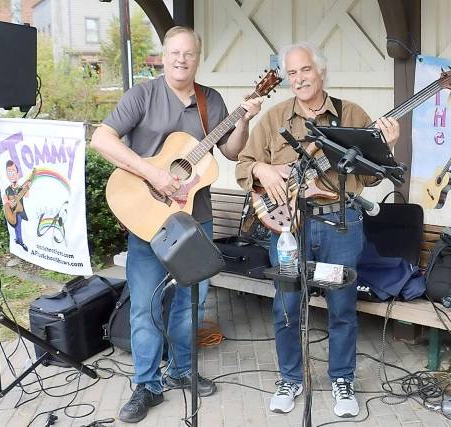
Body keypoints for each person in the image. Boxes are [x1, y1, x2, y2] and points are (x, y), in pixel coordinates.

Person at [91, 26, 263, 424]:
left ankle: (181, 371)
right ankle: (146, 385)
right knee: (146, 307)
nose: (181, 59)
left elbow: (233, 152)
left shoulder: (211, 101)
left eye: (188, 53)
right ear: (163, 55)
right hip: (148, 219)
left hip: (194, 221)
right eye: (174, 53)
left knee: (191, 303)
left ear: (197, 58)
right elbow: (102, 139)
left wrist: (244, 120)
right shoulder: (143, 95)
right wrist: (153, 175)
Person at [235, 42, 399, 418]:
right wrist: (261, 170)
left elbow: (372, 178)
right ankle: (290, 378)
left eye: (304, 70)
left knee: (342, 306)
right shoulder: (275, 117)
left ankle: (342, 379)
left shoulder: (352, 115)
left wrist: (385, 148)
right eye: (291, 73)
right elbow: (244, 163)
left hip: (341, 224)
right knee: (287, 306)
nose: (298, 78)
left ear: (321, 72)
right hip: (290, 226)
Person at [4, 160, 30, 251]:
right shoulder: (7, 189)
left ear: (18, 174)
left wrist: (27, 188)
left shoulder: (20, 188)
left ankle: (21, 241)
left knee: (18, 226)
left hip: (21, 211)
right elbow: (5, 200)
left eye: (13, 171)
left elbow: (27, 196)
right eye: (9, 172)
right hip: (13, 212)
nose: (12, 174)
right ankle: (20, 241)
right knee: (16, 226)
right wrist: (9, 203)